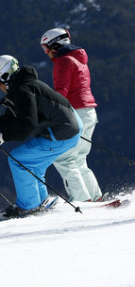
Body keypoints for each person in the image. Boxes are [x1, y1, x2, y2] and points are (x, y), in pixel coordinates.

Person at [0, 55, 82, 217]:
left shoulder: (22, 90)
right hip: (69, 128)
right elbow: (9, 118)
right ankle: (40, 201)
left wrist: (2, 137)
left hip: (62, 132)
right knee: (34, 164)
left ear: (5, 77)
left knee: (18, 159)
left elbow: (27, 123)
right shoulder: (24, 86)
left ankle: (28, 206)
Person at [40, 28, 103, 202]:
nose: (46, 53)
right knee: (79, 159)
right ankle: (95, 198)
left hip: (75, 114)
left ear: (55, 44)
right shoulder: (80, 60)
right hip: (89, 112)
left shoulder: (63, 61)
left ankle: (82, 200)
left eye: (46, 48)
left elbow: (61, 92)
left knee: (63, 158)